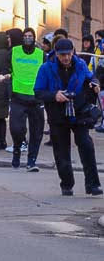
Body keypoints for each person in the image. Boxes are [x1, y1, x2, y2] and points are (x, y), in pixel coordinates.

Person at [34, 38, 102, 197]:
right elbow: (38, 91)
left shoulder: (80, 64)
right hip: (57, 113)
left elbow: (91, 77)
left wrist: (95, 83)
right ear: (56, 54)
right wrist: (54, 95)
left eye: (68, 54)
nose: (66, 58)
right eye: (62, 54)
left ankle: (93, 185)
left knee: (86, 145)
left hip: (79, 110)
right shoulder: (46, 68)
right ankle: (66, 184)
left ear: (73, 52)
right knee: (61, 150)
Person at [7, 27, 45, 171]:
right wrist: (8, 89)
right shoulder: (14, 52)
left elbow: (47, 72)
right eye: (25, 36)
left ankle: (31, 161)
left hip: (36, 99)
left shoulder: (41, 55)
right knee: (17, 129)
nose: (28, 38)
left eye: (30, 36)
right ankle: (17, 149)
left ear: (34, 38)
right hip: (18, 98)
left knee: (37, 132)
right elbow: (5, 69)